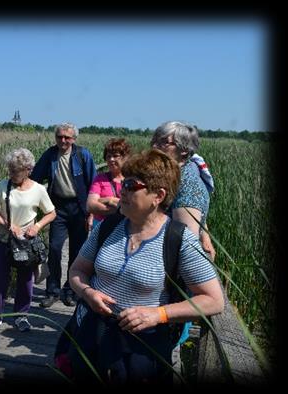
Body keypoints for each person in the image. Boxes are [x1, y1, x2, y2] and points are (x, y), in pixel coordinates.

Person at [68, 149, 224, 384]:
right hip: (93, 333)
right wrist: (88, 293)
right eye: (124, 183)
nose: (122, 190)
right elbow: (77, 270)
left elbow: (214, 300)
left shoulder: (178, 240)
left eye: (131, 185)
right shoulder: (108, 227)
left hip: (141, 348)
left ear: (158, 196)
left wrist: (157, 314)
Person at [0, 148, 56, 334]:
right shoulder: (3, 185)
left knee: (26, 281)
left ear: (28, 170)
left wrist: (37, 226)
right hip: (5, 240)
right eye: (10, 170)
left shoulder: (38, 189)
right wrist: (7, 224)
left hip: (26, 241)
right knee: (0, 280)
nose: (11, 174)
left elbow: (51, 213)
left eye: (15, 171)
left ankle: (21, 316)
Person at [30, 122, 97, 308]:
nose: (63, 140)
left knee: (77, 251)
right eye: (60, 137)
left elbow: (93, 183)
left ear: (74, 139)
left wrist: (90, 213)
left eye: (67, 137)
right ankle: (52, 291)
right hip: (58, 207)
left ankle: (70, 290)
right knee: (55, 248)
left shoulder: (83, 155)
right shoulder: (50, 155)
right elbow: (35, 178)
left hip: (79, 207)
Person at [151, 121, 216, 260]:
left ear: (184, 149)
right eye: (154, 140)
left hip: (177, 266)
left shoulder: (187, 182)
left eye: (164, 142)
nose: (155, 146)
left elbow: (186, 238)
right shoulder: (175, 173)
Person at [87, 138, 132, 229]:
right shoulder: (100, 179)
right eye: (108, 156)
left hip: (125, 227)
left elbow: (135, 207)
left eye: (116, 156)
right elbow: (90, 205)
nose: (111, 159)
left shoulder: (132, 178)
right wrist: (116, 205)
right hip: (101, 227)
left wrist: (104, 200)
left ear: (125, 157)